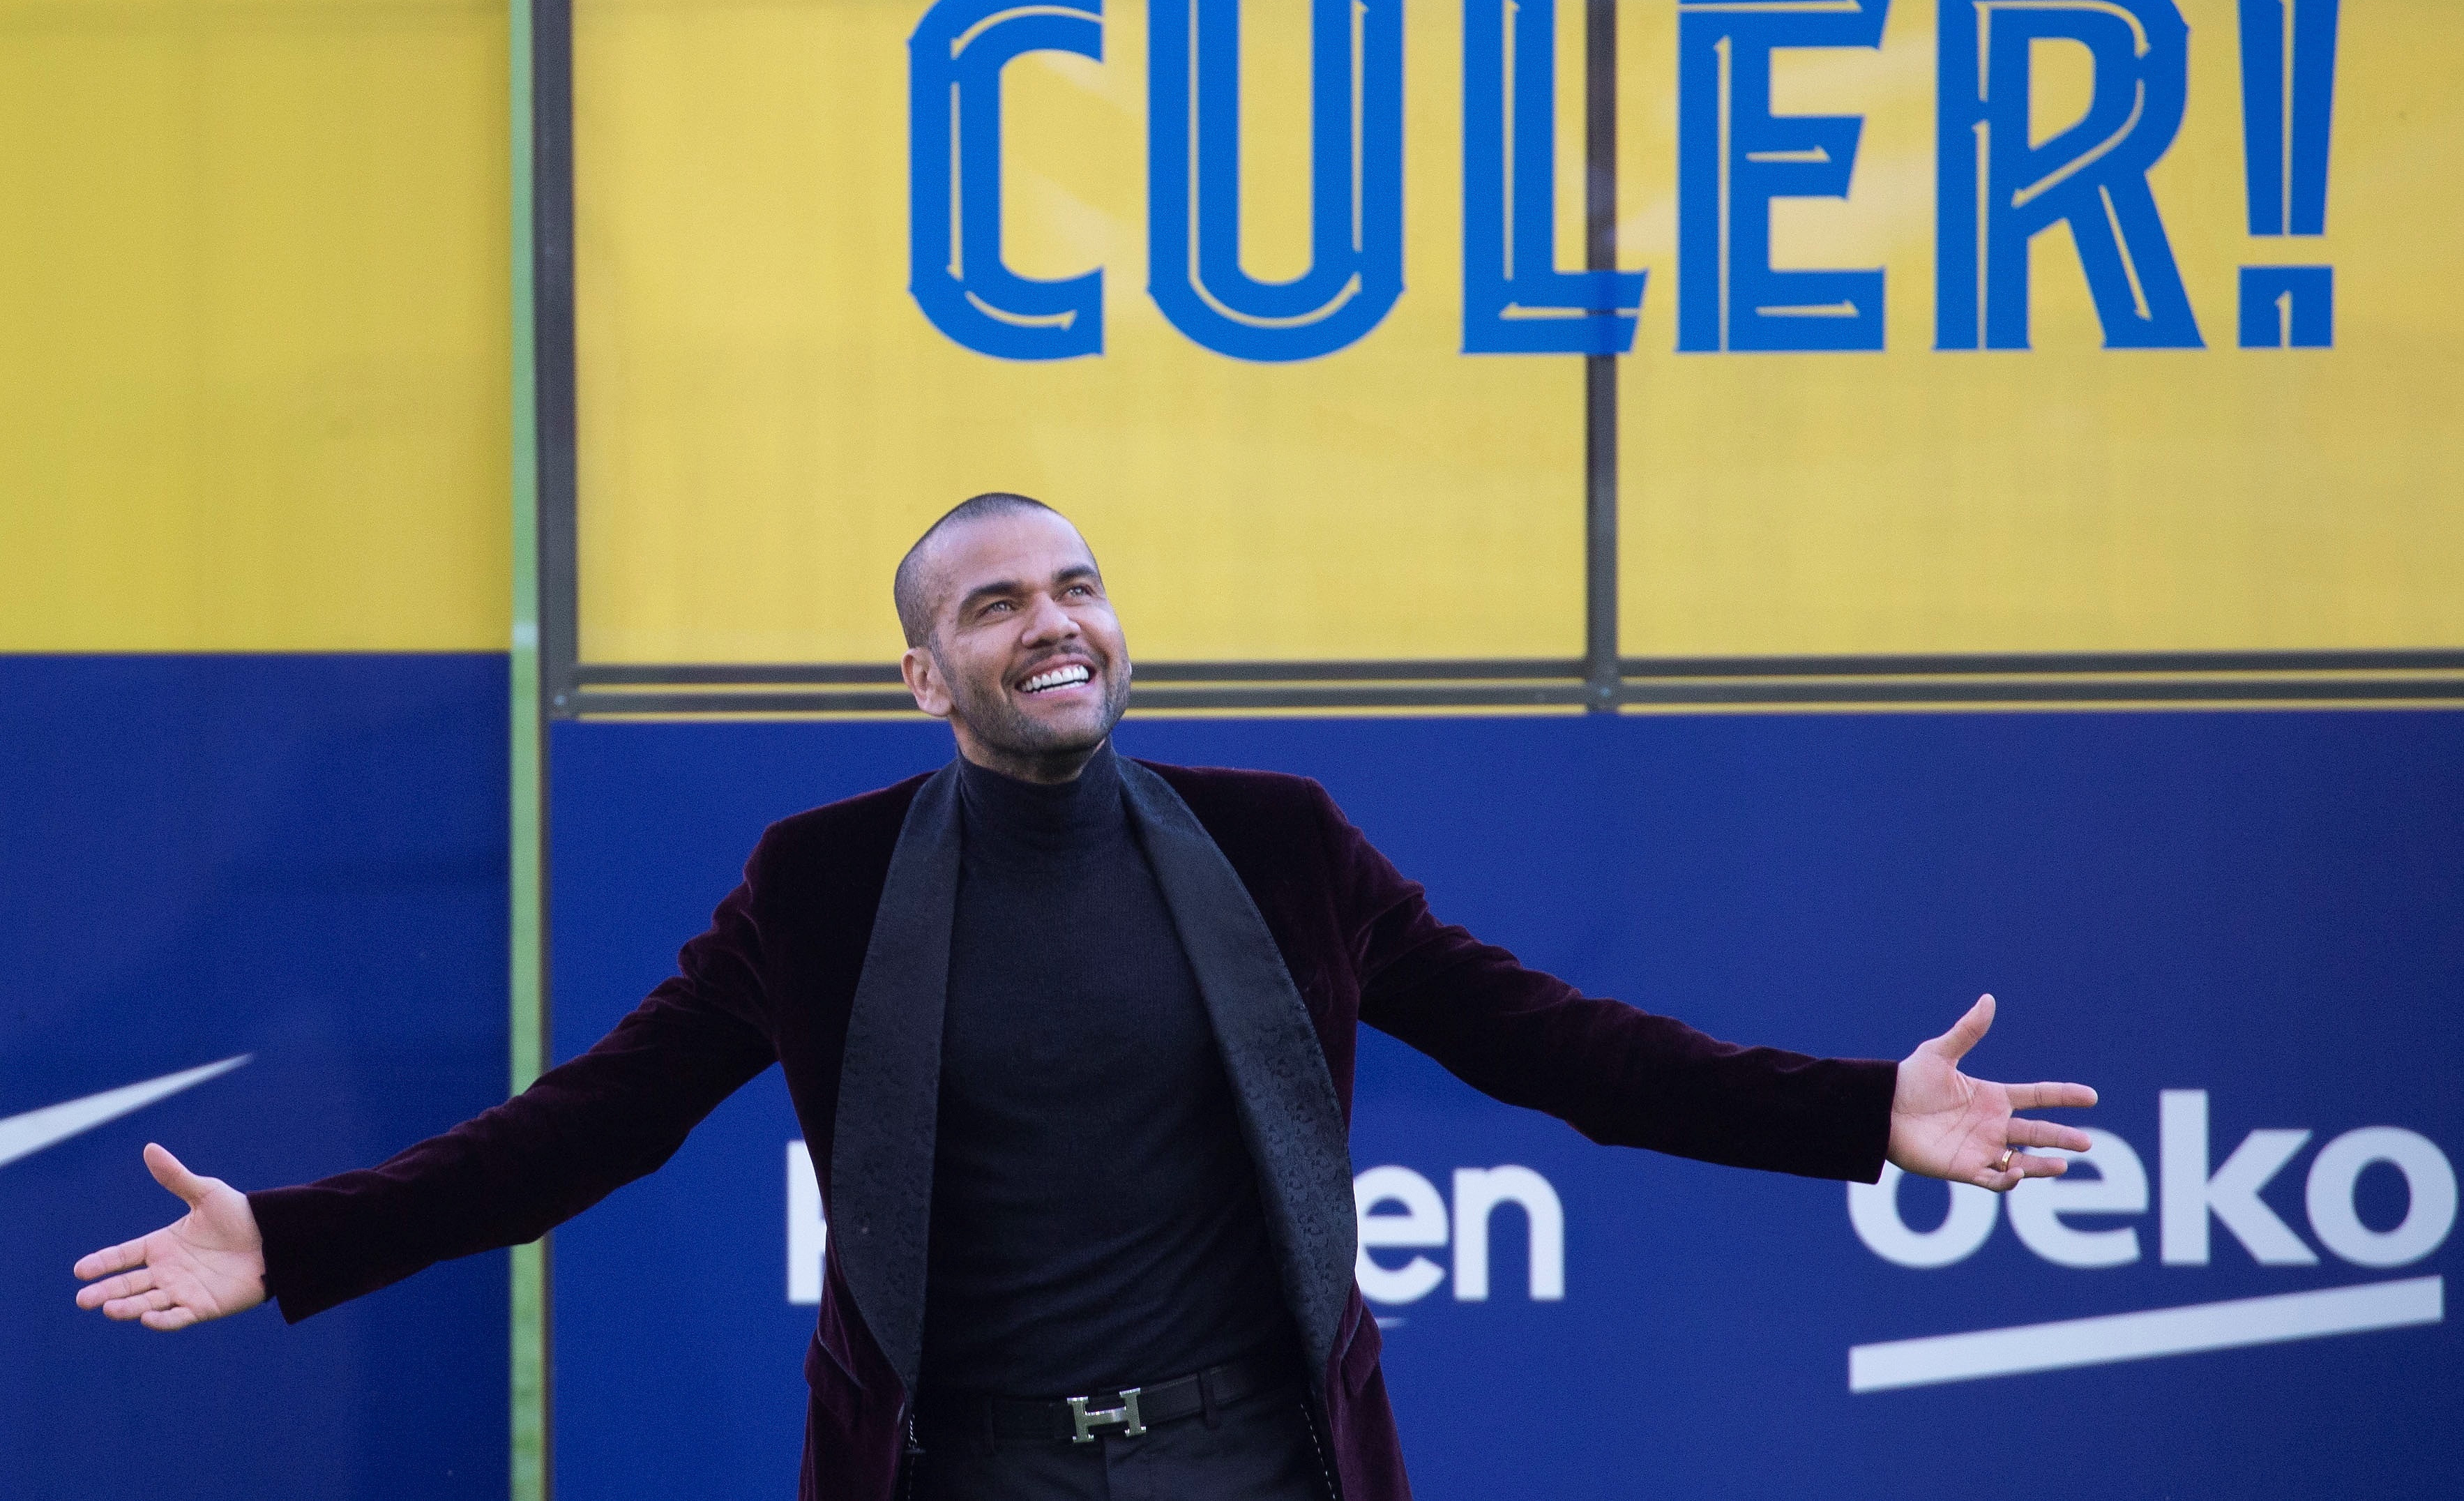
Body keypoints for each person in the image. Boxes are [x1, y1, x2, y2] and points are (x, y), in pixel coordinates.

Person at [75, 493, 2097, 1501]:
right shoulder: (824, 881)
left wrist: (1864, 1112)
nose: (1052, 624)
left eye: (1076, 590)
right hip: (963, 1467)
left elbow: (1559, 1047)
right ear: (921, 676)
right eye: (995, 606)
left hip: (1256, 1462)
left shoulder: (1279, 841)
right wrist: (301, 1232)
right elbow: (588, 1124)